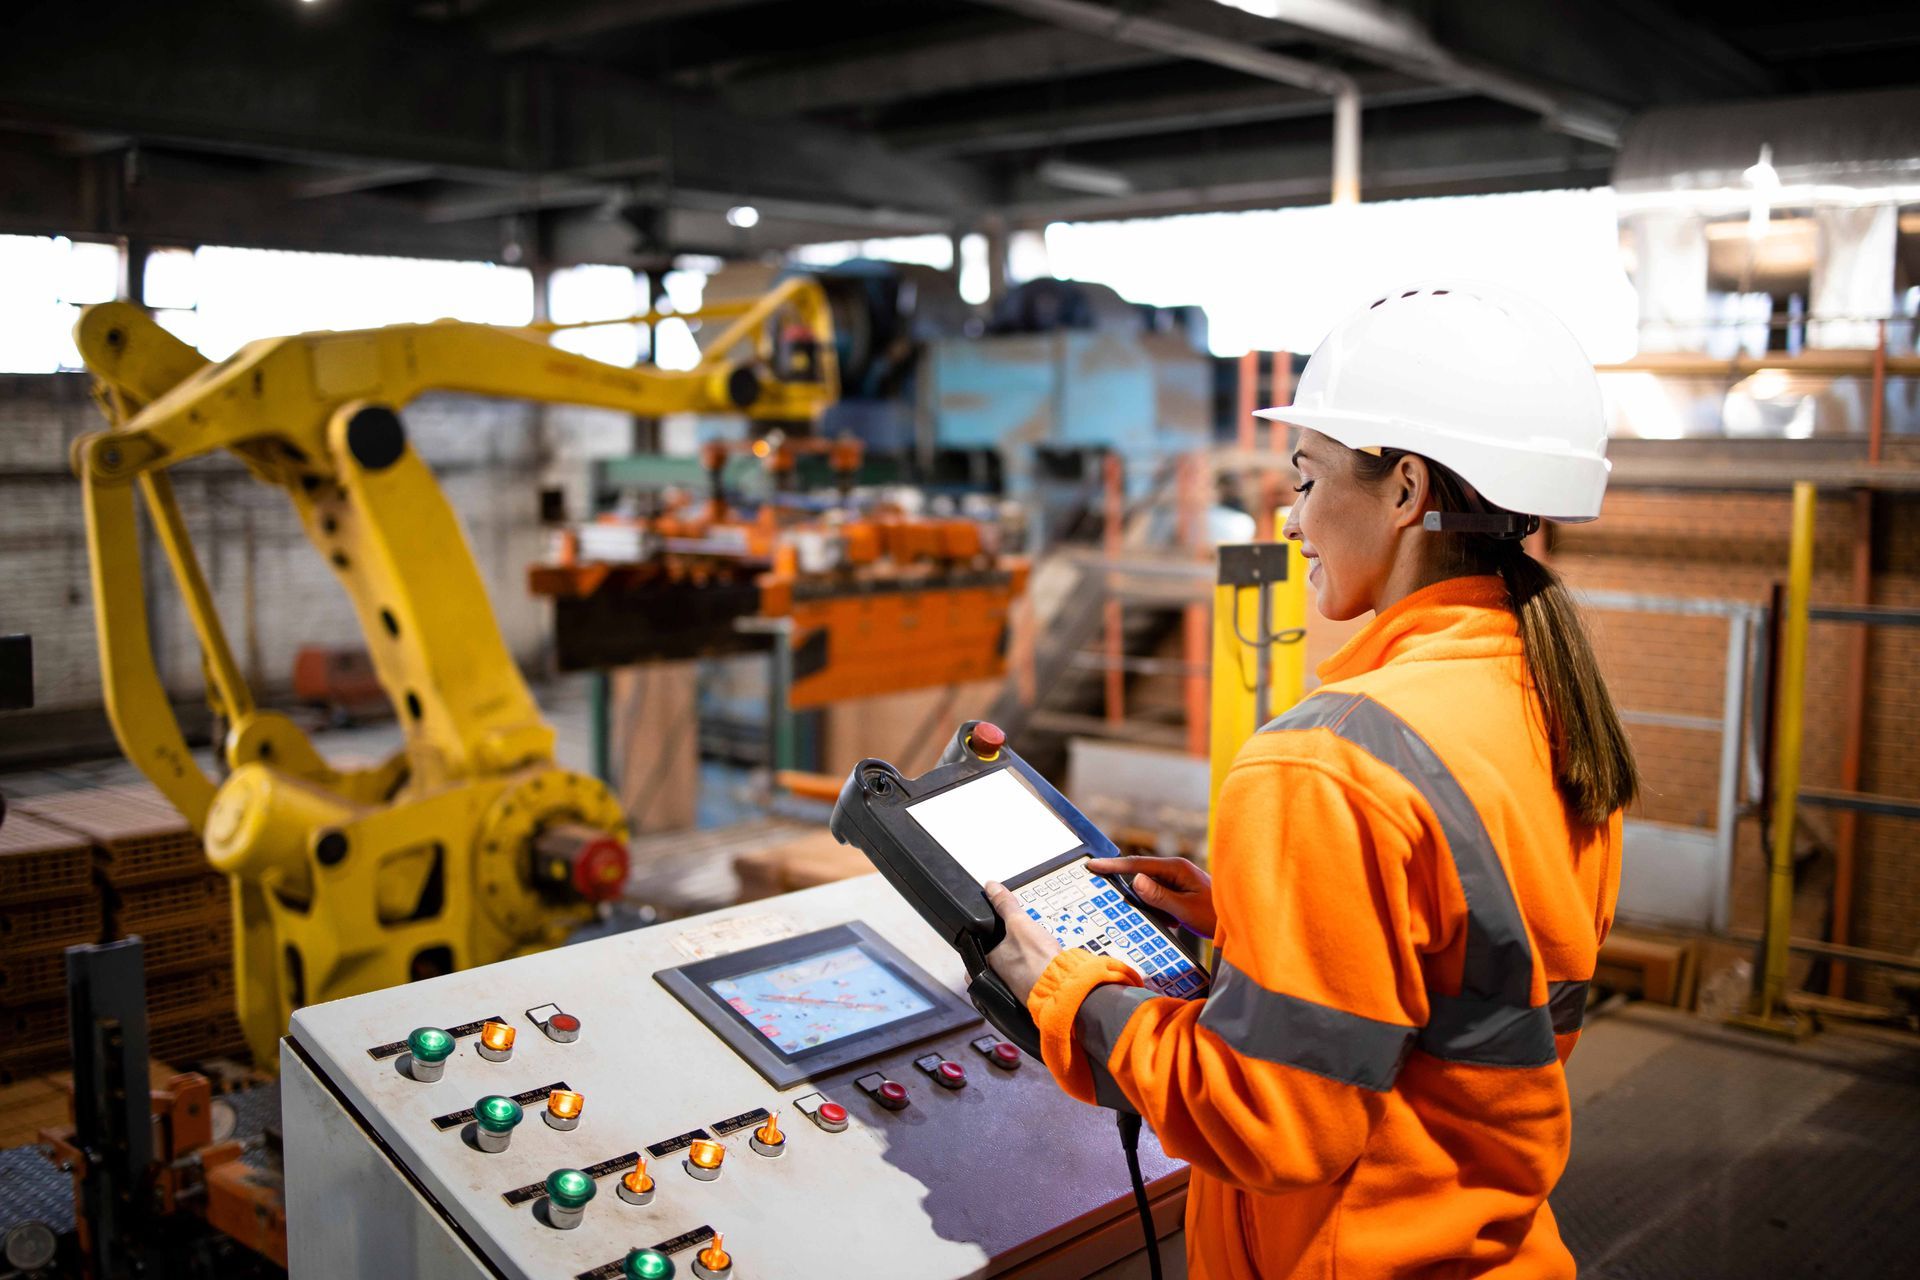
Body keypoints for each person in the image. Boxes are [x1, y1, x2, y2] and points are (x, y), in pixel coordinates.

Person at [985, 282, 1638, 1279]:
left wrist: (1065, 993)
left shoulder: (1326, 760)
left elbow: (1273, 1122)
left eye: (1304, 475)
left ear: (1407, 490)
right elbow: (1468, 981)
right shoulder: (1551, 702)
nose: (1290, 516)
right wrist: (1252, 918)